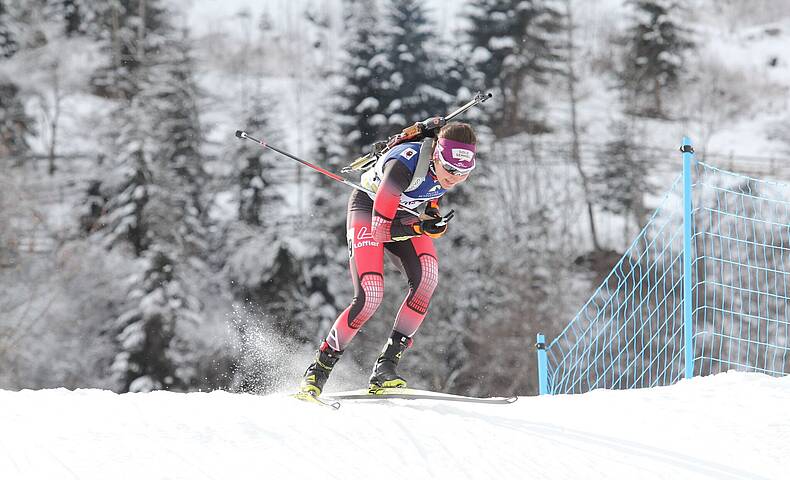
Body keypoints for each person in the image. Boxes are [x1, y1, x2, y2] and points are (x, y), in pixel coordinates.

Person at [300, 122, 477, 396]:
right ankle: (318, 371)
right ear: (436, 157)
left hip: (403, 212)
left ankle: (386, 368)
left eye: (464, 173)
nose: (454, 178)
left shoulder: (442, 171)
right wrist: (420, 227)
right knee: (370, 295)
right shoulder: (402, 167)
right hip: (369, 210)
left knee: (427, 277)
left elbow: (429, 195)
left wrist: (432, 218)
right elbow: (380, 231)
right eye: (451, 169)